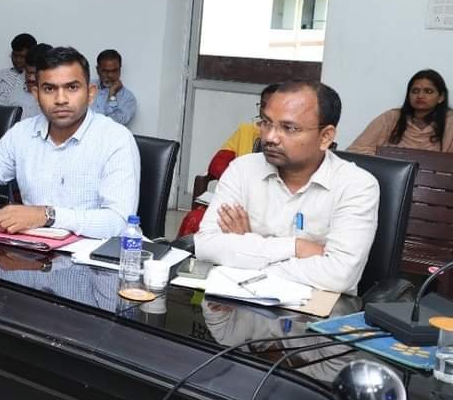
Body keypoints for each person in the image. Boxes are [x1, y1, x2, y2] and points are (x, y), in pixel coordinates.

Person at [195, 81, 379, 295]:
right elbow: (206, 246)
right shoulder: (242, 169)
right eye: (266, 123)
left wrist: (246, 251)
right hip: (239, 300)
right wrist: (297, 247)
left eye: (289, 128)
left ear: (325, 137)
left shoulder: (357, 185)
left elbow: (340, 275)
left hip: (315, 308)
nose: (270, 137)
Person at [0, 46, 140, 238]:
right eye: (49, 89)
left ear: (91, 93)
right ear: (36, 94)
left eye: (72, 87)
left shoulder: (115, 138)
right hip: (30, 250)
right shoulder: (21, 134)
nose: (60, 99)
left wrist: (47, 215)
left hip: (92, 253)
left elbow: (119, 222)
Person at [177, 83, 279, 237]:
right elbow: (217, 164)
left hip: (270, 208)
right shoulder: (246, 130)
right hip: (238, 202)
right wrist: (237, 181)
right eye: (262, 105)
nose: (265, 111)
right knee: (195, 219)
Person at [348, 69, 453, 155]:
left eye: (428, 91)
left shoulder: (450, 123)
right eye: (415, 91)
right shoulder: (392, 118)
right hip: (391, 174)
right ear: (408, 95)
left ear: (441, 97)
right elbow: (356, 150)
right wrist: (387, 162)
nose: (420, 96)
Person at [0, 42, 51, 120]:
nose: (31, 78)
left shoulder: (57, 99)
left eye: (35, 74)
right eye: (28, 72)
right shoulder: (16, 89)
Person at [91, 49, 137, 126]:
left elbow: (114, 124)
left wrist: (112, 96)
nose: (110, 75)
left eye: (115, 71)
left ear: (120, 69)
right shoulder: (86, 87)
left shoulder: (128, 98)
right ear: (98, 70)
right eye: (105, 71)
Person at [0, 33, 37, 105]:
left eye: (22, 57)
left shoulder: (34, 79)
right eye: (15, 55)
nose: (17, 60)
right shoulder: (0, 76)